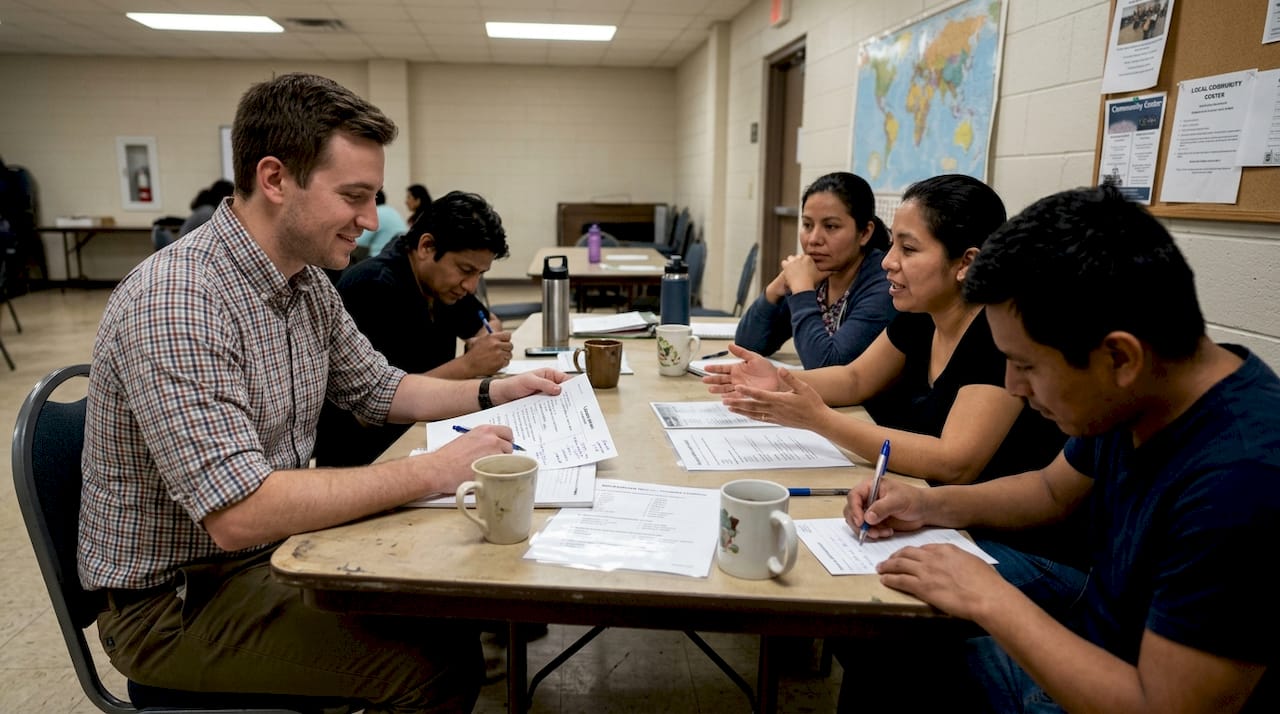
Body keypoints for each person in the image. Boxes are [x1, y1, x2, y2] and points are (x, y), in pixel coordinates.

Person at [79, 72, 567, 712]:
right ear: (276, 179)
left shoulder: (305, 284)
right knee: (433, 663)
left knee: (447, 604)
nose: (370, 221)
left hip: (259, 560)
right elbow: (240, 513)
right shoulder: (178, 300)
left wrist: (495, 390)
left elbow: (381, 389)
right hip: (178, 603)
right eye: (354, 196)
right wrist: (433, 471)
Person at [845, 184, 1279, 712]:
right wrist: (926, 503)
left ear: (1120, 358)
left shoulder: (1241, 479)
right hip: (1095, 644)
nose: (1012, 387)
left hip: (1122, 690)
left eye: (1026, 366)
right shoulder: (1147, 391)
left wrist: (989, 597)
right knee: (882, 645)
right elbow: (1051, 490)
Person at [706, 173, 1084, 602]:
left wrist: (820, 421)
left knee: (849, 587)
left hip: (1015, 542)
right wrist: (779, 379)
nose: (887, 261)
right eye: (892, 247)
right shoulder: (922, 313)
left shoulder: (995, 334)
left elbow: (955, 461)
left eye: (908, 248)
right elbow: (854, 377)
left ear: (966, 263)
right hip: (950, 519)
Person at [314, 190, 515, 468]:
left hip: (425, 430)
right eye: (466, 270)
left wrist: (488, 339)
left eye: (479, 274)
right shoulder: (373, 287)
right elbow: (372, 407)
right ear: (427, 247)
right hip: (369, 457)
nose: (470, 285)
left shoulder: (443, 284)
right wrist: (468, 365)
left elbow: (487, 322)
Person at [735, 171, 896, 369]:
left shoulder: (885, 285)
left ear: (864, 233)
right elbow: (747, 345)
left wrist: (802, 291)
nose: (813, 239)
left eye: (831, 226)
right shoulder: (817, 274)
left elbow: (826, 366)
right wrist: (775, 289)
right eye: (807, 225)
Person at [355, 188, 409, 259]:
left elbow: (360, 241)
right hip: (398, 257)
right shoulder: (392, 210)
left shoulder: (377, 212)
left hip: (381, 258)